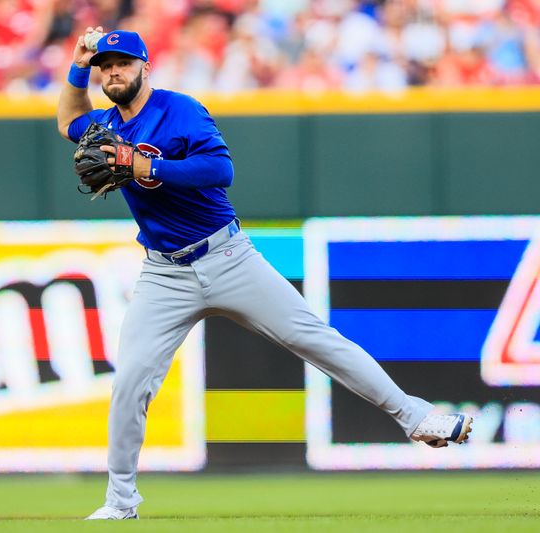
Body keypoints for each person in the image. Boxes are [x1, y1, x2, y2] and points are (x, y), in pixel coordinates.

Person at [56, 27, 474, 521]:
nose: (112, 71)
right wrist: (78, 63)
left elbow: (219, 171)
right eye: (105, 66)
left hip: (227, 257)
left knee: (317, 339)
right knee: (129, 383)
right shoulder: (106, 124)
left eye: (121, 62)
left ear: (145, 65)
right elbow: (68, 121)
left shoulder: (179, 109)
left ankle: (419, 417)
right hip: (164, 273)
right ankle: (120, 502)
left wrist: (152, 169)